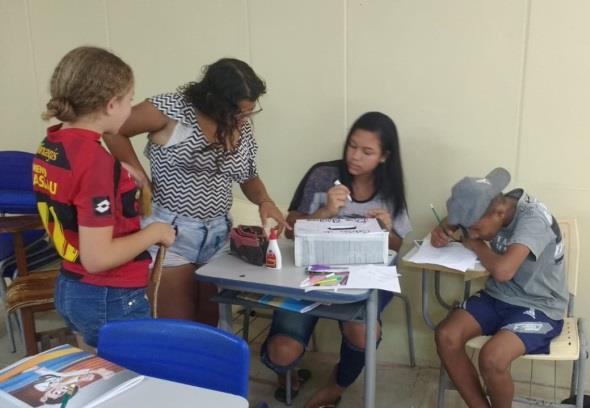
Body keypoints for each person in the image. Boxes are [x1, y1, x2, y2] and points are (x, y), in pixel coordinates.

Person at [103, 58, 287, 325]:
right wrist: (137, 173)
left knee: (209, 327)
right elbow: (112, 130)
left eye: (248, 113)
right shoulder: (172, 109)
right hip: (170, 232)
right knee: (179, 329)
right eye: (237, 114)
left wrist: (265, 200)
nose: (243, 120)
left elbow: (247, 175)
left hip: (218, 235)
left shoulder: (241, 126)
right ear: (215, 102)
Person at [260, 112, 411, 407]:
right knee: (282, 352)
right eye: (352, 146)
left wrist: (386, 229)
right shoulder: (323, 175)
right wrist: (325, 212)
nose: (355, 156)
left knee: (363, 332)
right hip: (310, 274)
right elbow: (291, 230)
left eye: (367, 152)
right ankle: (286, 374)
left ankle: (336, 385)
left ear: (384, 156)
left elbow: (395, 246)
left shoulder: (390, 188)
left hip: (361, 279)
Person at [32, 47, 176, 350]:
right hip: (110, 295)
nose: (129, 108)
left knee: (97, 375)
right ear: (112, 105)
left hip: (72, 287)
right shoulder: (96, 164)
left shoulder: (53, 143)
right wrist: (155, 232)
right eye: (130, 100)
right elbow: (98, 259)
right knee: (131, 386)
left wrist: (114, 170)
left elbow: (74, 186)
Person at [432, 168, 568, 408]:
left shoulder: (533, 219)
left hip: (540, 305)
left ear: (499, 212)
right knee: (446, 336)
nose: (471, 234)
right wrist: (444, 229)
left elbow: (504, 271)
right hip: (498, 296)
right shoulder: (490, 202)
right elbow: (456, 220)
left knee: (492, 359)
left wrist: (476, 245)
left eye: (475, 228)